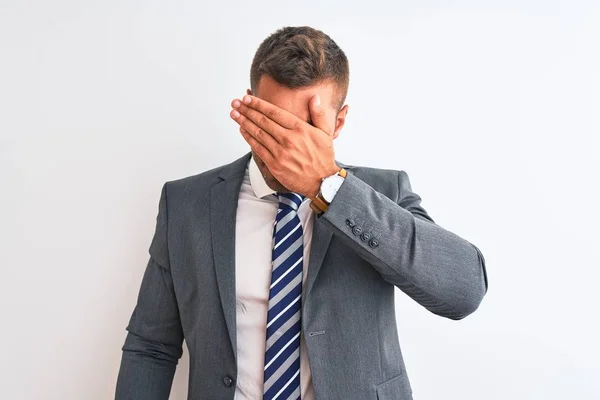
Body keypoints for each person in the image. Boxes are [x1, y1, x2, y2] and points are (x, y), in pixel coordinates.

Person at [115, 25, 488, 400]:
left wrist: (328, 185)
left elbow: (464, 291)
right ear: (248, 110)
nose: (288, 146)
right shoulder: (187, 203)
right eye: (275, 123)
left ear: (338, 122)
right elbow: (151, 346)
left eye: (307, 129)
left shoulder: (384, 193)